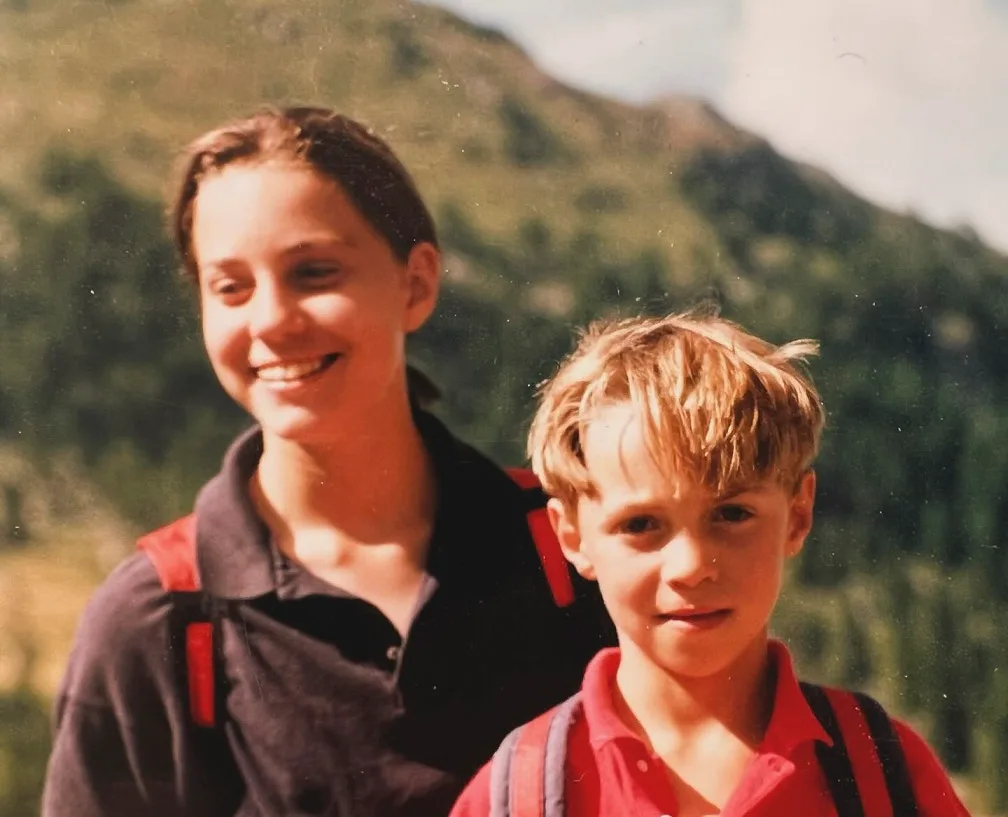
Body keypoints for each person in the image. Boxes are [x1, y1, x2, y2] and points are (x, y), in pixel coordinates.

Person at [41, 106, 615, 817]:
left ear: (416, 283)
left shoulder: (580, 549)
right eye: (230, 286)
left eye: (314, 271)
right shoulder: (156, 620)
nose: (272, 320)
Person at [449, 311, 970, 817]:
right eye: (640, 525)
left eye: (731, 514)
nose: (691, 565)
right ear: (571, 536)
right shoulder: (518, 796)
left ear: (797, 514)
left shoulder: (883, 773)